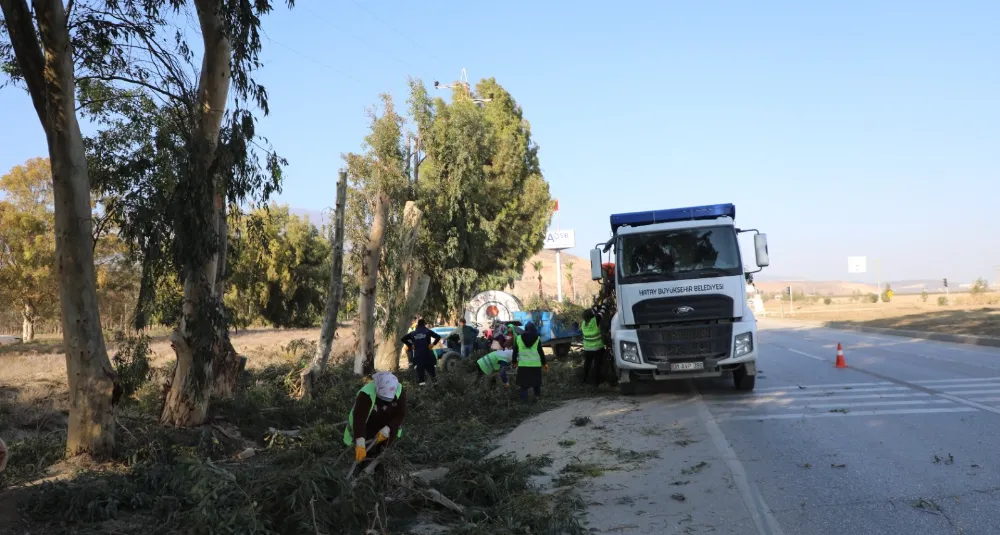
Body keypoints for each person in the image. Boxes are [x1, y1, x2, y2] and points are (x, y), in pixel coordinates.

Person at [343, 372, 407, 465]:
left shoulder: (399, 390)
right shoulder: (366, 394)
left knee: (383, 453)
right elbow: (359, 420)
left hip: (388, 425)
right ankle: (363, 467)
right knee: (367, 455)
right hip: (369, 425)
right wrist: (360, 441)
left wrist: (388, 428)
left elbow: (400, 414)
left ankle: (380, 467)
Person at [511, 322, 547, 400]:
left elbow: (515, 352)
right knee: (536, 384)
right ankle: (537, 399)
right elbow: (541, 352)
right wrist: (544, 363)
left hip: (523, 366)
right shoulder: (537, 339)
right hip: (535, 366)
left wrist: (514, 362)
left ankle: (524, 402)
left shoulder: (519, 338)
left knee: (523, 385)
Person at [401, 319, 442, 385]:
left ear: (417, 325)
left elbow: (403, 339)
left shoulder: (413, 333)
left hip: (418, 356)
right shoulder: (427, 331)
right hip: (427, 355)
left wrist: (410, 345)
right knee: (432, 373)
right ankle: (435, 386)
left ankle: (422, 387)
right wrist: (433, 344)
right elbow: (438, 337)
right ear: (424, 324)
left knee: (421, 375)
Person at [581, 300, 609, 387]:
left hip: (587, 349)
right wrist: (604, 303)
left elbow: (593, 311)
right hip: (597, 348)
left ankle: (584, 379)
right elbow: (602, 312)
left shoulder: (583, 323)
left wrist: (597, 306)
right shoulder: (595, 320)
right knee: (598, 365)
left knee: (587, 364)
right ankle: (597, 382)